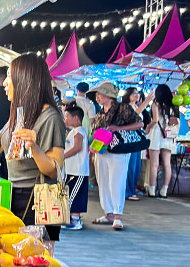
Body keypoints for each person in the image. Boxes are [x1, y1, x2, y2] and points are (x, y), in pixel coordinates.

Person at [0, 54, 66, 242]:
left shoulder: (50, 117)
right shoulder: (19, 112)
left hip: (39, 198)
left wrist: (35, 148)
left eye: (10, 78)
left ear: (25, 80)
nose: (5, 83)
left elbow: (55, 170)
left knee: (36, 261)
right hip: (13, 192)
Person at [88, 81, 142, 230]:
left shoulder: (123, 108)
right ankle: (109, 213)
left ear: (108, 95)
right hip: (102, 151)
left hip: (119, 150)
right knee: (103, 182)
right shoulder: (100, 112)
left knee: (117, 182)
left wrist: (118, 128)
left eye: (100, 94)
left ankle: (117, 215)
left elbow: (139, 124)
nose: (97, 97)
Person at [147, 84, 179, 197]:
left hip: (156, 134)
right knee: (167, 164)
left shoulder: (156, 104)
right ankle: (164, 190)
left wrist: (147, 128)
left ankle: (151, 190)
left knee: (154, 164)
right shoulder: (174, 106)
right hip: (168, 135)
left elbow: (155, 120)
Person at [121, 87, 153, 201]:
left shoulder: (136, 106)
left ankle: (131, 190)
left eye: (137, 93)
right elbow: (134, 115)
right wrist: (146, 101)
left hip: (137, 138)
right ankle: (127, 191)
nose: (136, 95)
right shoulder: (126, 107)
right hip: (130, 138)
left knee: (136, 166)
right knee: (130, 166)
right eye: (134, 93)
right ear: (127, 95)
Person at [62, 107, 90, 230]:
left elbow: (77, 147)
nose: (65, 119)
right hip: (72, 170)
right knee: (71, 193)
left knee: (75, 195)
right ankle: (72, 218)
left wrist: (62, 156)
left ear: (76, 118)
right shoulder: (73, 131)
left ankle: (75, 220)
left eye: (67, 116)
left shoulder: (79, 131)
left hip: (78, 171)